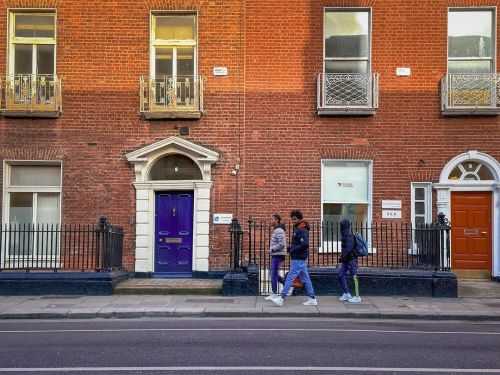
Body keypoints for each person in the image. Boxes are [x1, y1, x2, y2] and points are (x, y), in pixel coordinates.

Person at [271, 210, 317, 306]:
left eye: (295, 219)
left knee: (290, 277)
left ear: (300, 218)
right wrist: (290, 248)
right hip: (300, 258)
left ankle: (281, 298)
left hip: (299, 258)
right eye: (292, 219)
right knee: (305, 278)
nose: (293, 221)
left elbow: (305, 244)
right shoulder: (298, 229)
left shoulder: (301, 230)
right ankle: (312, 298)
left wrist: (293, 249)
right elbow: (298, 244)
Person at [264, 214, 288, 300]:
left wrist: (272, 249)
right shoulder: (277, 230)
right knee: (272, 273)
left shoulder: (279, 230)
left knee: (273, 274)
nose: (271, 221)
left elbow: (282, 244)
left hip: (278, 254)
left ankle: (275, 294)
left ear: (277, 220)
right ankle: (288, 285)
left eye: (272, 219)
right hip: (277, 254)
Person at [338, 219, 361, 303]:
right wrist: (343, 257)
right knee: (340, 275)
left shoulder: (349, 235)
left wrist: (342, 257)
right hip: (346, 259)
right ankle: (347, 293)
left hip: (351, 259)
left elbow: (348, 248)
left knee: (354, 277)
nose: (340, 227)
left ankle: (357, 296)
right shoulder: (345, 234)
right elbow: (345, 249)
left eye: (341, 226)